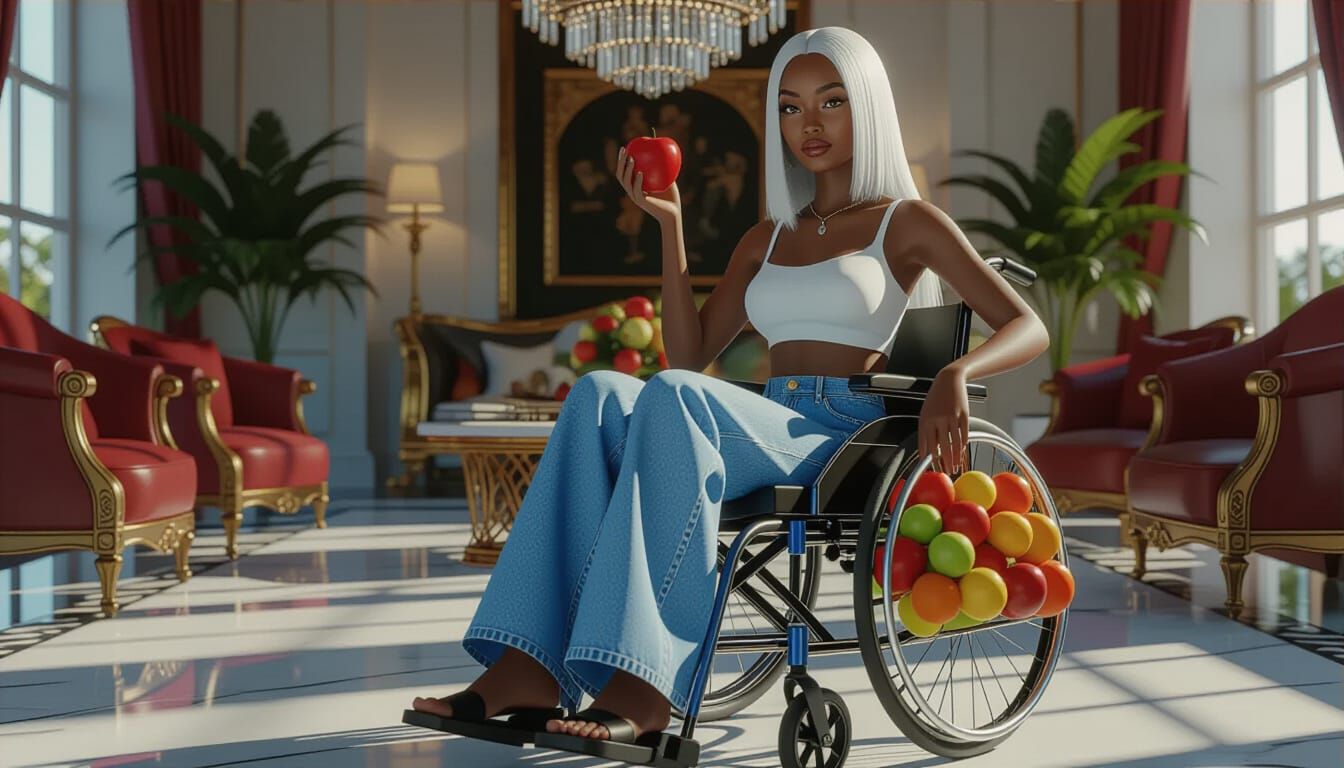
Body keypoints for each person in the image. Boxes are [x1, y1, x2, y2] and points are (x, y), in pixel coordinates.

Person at [409, 25, 1049, 752]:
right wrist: (671, 228)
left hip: (844, 432)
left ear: (866, 107)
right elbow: (688, 353)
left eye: (831, 102)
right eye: (790, 106)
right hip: (765, 418)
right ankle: (525, 667)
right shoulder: (768, 236)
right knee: (595, 394)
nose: (808, 124)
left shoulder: (907, 223)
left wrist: (955, 375)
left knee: (677, 396)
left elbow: (1027, 326)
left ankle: (644, 687)